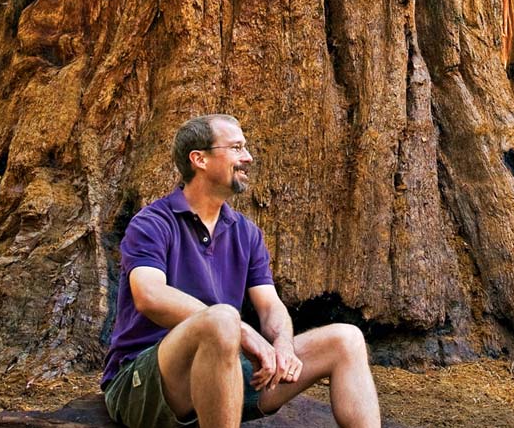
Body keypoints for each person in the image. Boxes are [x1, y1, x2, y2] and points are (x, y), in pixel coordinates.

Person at [101, 114, 380, 428]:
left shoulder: (245, 232)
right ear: (199, 159)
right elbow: (149, 295)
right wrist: (242, 331)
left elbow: (270, 304)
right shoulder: (153, 222)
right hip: (146, 383)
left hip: (224, 371)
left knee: (347, 339)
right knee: (222, 320)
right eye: (236, 148)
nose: (247, 157)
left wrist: (283, 345)